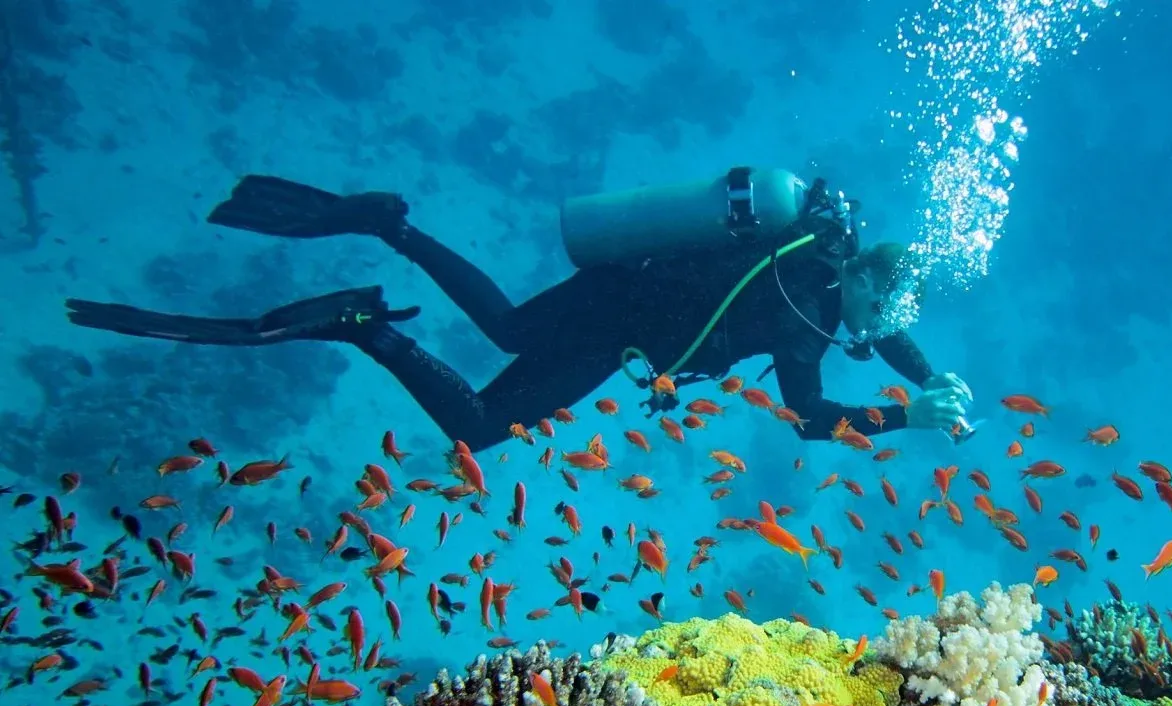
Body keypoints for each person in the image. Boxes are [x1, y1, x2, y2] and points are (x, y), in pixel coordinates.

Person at [65, 169, 974, 451]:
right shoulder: (798, 305)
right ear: (858, 280)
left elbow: (887, 330)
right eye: (876, 308)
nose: (875, 330)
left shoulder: (820, 268)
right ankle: (364, 328)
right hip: (620, 328)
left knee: (501, 328)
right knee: (481, 427)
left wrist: (930, 380)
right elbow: (810, 417)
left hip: (621, 300)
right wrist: (904, 415)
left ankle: (394, 232)